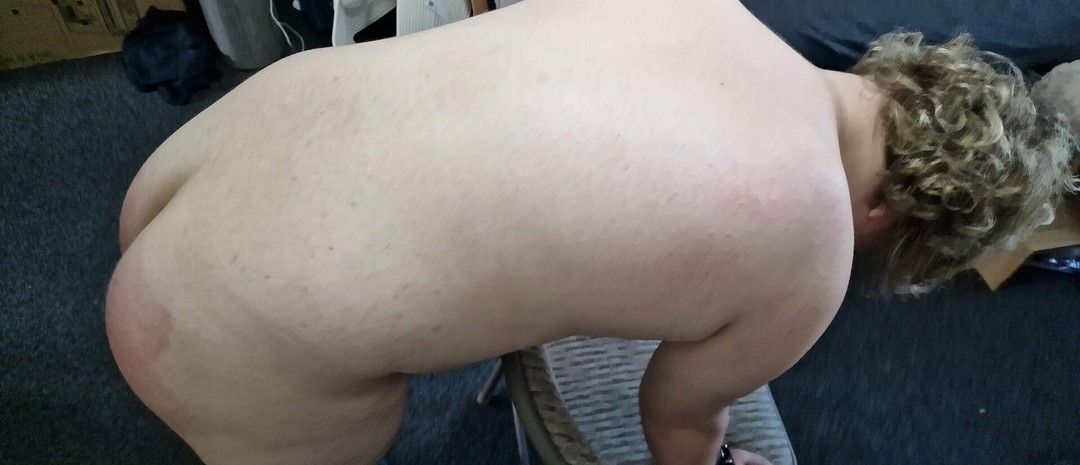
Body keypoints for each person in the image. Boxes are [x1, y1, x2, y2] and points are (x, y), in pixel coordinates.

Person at [103, 0, 1077, 464]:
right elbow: (679, 419)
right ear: (892, 217)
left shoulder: (716, 15)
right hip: (224, 329)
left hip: (194, 162)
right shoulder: (813, 251)